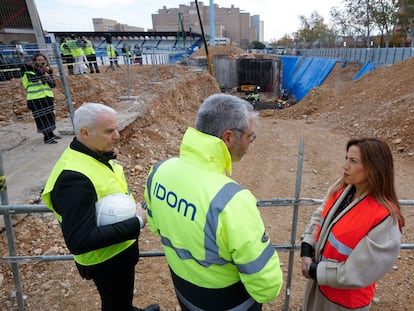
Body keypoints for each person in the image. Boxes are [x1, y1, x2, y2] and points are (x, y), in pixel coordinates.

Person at [144, 94, 283, 310]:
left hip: (185, 294)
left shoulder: (159, 171)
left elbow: (155, 226)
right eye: (250, 137)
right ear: (228, 138)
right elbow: (267, 287)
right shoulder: (231, 201)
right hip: (229, 303)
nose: (250, 144)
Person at [41, 103, 160, 311]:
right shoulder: (73, 178)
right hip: (106, 260)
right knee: (114, 303)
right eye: (109, 131)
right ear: (85, 133)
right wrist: (137, 221)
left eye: (116, 128)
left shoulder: (92, 155)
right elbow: (80, 240)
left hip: (118, 250)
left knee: (121, 299)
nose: (117, 136)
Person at [301, 138, 404, 311]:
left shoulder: (385, 218)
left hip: (343, 302)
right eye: (346, 158)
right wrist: (307, 247)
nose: (345, 165)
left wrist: (315, 270)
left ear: (374, 168)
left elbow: (359, 272)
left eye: (353, 161)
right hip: (319, 287)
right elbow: (320, 215)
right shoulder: (343, 189)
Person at [21, 52, 61, 144]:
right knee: (41, 118)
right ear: (34, 61)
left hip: (47, 97)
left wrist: (48, 77)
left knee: (50, 116)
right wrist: (42, 72)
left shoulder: (47, 71)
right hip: (35, 99)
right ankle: (47, 137)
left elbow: (53, 85)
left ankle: (51, 134)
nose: (41, 62)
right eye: (39, 60)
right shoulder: (28, 70)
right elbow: (33, 79)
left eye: (43, 60)